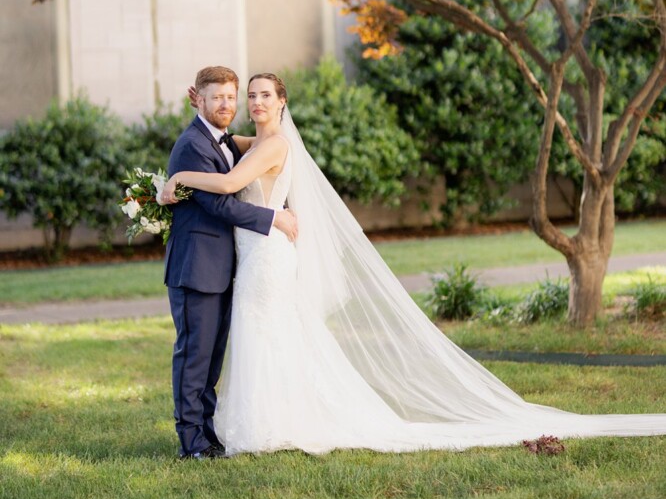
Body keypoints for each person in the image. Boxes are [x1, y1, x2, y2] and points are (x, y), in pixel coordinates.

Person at [161, 72, 666, 456]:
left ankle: (268, 425)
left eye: (262, 95)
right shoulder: (253, 142)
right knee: (268, 338)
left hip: (266, 258)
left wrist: (178, 180)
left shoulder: (274, 143)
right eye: (250, 95)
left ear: (282, 102)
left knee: (267, 335)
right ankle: (254, 422)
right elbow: (230, 152)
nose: (252, 102)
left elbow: (227, 183)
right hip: (259, 253)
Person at [164, 65, 298, 460]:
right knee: (195, 358)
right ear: (198, 98)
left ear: (279, 103)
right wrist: (273, 217)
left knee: (212, 360)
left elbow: (236, 171)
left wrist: (180, 177)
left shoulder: (240, 141)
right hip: (199, 265)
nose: (232, 104)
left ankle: (207, 433)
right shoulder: (193, 144)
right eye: (215, 97)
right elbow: (220, 200)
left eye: (231, 97)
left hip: (238, 264)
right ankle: (192, 443)